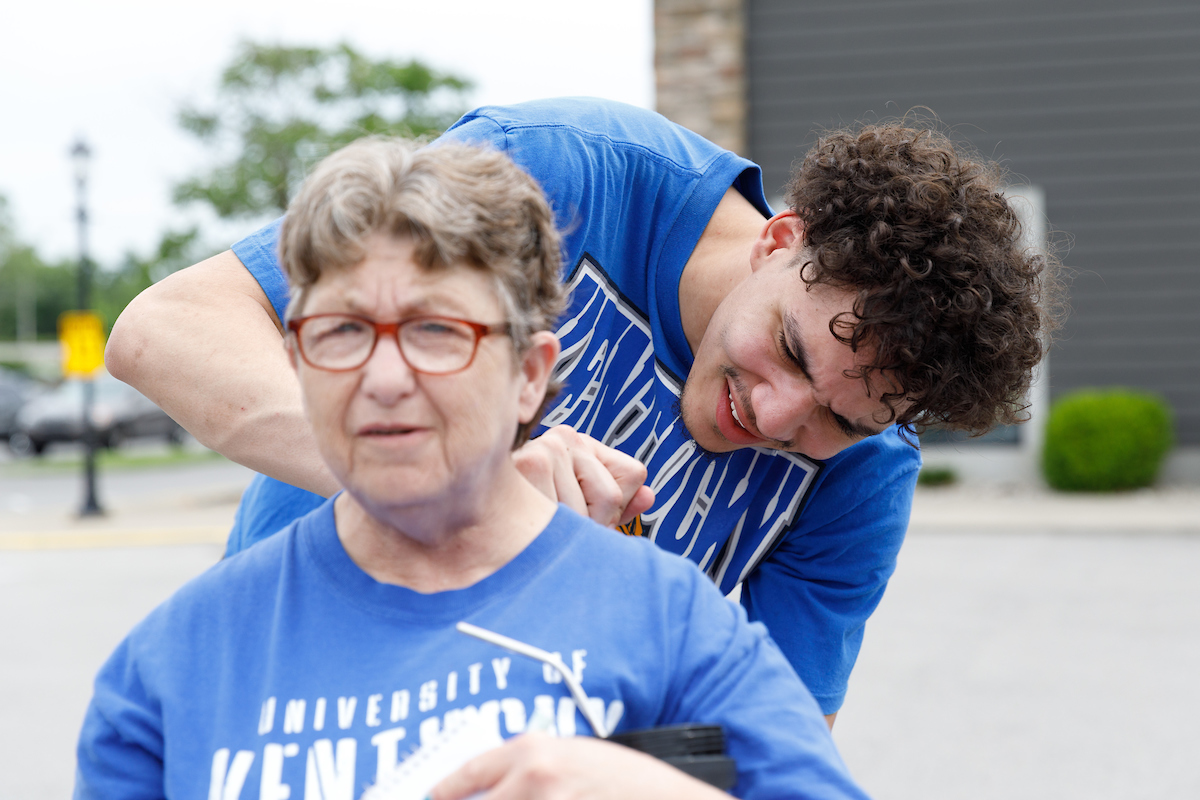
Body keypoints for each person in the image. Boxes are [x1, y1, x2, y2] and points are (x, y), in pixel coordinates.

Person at [106, 98, 1054, 720]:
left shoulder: (862, 477)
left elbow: (764, 746)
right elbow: (170, 331)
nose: (774, 418)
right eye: (793, 350)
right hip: (278, 708)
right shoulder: (566, 175)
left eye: (837, 421)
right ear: (781, 240)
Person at [75, 138, 871, 800]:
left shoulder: (674, 629)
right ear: (294, 357)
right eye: (343, 332)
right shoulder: (172, 665)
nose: (384, 377)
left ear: (530, 372)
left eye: (437, 333)